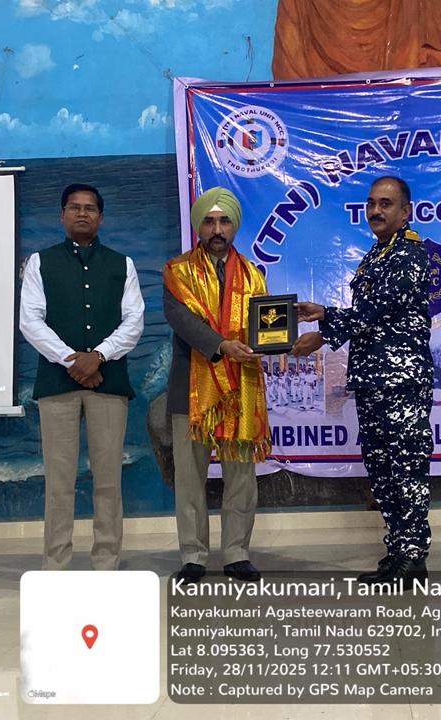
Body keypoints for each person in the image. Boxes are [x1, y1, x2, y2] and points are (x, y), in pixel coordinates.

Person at [292, 175, 434, 586]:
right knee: (382, 471)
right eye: (371, 203)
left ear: (405, 211)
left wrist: (323, 328)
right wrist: (325, 316)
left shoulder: (410, 253)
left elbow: (377, 309)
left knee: (405, 470)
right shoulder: (376, 254)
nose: (375, 211)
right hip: (373, 381)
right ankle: (397, 553)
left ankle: (414, 558)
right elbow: (369, 313)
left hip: (401, 383)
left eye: (386, 204)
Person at [20, 183, 144, 571]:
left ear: (101, 217)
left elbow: (134, 321)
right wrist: (72, 361)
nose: (82, 213)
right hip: (57, 385)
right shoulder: (40, 263)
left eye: (90, 208)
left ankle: (106, 562)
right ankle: (55, 564)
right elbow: (30, 321)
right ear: (62, 215)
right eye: (74, 207)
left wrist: (98, 356)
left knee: (108, 479)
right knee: (59, 480)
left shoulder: (122, 264)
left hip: (109, 382)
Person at [162, 186, 270, 583]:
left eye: (224, 221)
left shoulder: (254, 275)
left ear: (234, 225)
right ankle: (193, 556)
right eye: (209, 221)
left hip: (241, 388)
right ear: (198, 226)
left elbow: (265, 326)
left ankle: (237, 553)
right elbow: (182, 321)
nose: (217, 229)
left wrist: (273, 342)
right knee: (189, 478)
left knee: (240, 476)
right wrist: (222, 345)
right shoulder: (177, 271)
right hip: (190, 392)